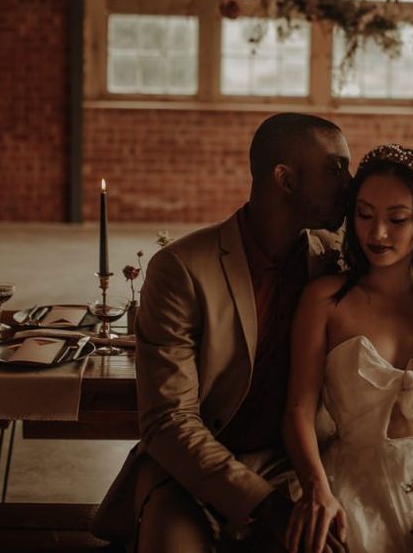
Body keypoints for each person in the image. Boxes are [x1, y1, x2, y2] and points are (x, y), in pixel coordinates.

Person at [91, 113, 352, 552]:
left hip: (297, 469)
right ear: (285, 180)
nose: (350, 183)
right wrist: (265, 505)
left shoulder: (338, 260)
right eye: (336, 168)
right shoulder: (181, 268)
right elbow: (168, 421)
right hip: (188, 471)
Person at [283, 143, 413, 553]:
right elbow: (298, 411)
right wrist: (317, 488)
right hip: (356, 489)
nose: (376, 233)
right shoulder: (324, 300)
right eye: (364, 215)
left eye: (397, 219)